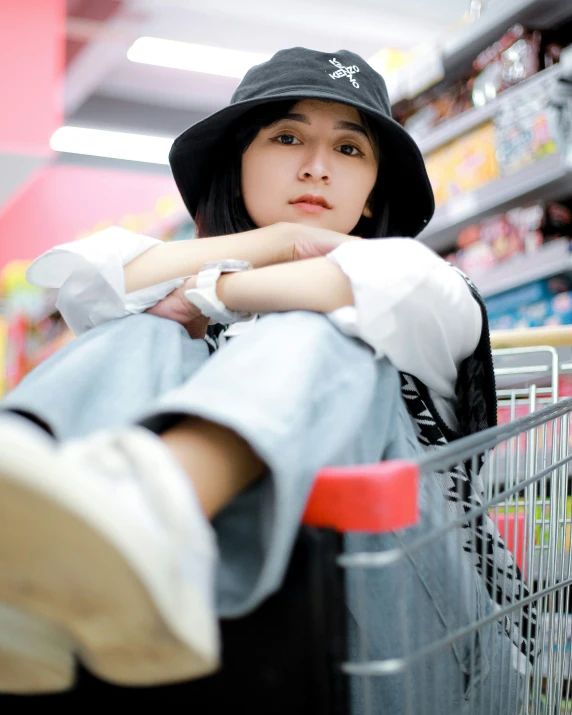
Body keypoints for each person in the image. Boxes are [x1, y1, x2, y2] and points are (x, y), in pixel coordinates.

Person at [0, 47, 527, 713]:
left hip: (427, 648)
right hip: (267, 629)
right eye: (286, 137)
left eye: (349, 149)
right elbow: (89, 280)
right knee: (143, 331)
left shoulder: (430, 293)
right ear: (237, 162)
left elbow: (380, 278)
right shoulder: (209, 294)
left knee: (317, 331)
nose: (316, 165)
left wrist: (211, 289)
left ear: (371, 195)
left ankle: (150, 507)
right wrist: (267, 240)